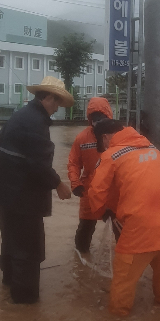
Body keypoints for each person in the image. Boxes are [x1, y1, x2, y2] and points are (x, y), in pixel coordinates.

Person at [0, 76, 73, 303]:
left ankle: (9, 282)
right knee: (28, 248)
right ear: (47, 98)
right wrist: (59, 184)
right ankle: (25, 300)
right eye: (56, 103)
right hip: (22, 197)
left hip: (5, 193)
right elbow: (37, 164)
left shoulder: (21, 116)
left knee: (11, 240)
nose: (56, 109)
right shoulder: (36, 122)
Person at [87, 119, 160, 317]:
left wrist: (101, 213)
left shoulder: (111, 155)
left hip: (140, 229)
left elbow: (97, 193)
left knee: (124, 280)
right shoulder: (152, 149)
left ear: (105, 138)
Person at [67, 96, 115, 261]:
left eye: (100, 118)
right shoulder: (81, 138)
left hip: (113, 190)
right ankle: (80, 259)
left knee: (121, 229)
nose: (97, 122)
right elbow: (73, 163)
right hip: (88, 190)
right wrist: (76, 183)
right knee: (84, 231)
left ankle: (125, 259)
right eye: (93, 118)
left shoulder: (117, 137)